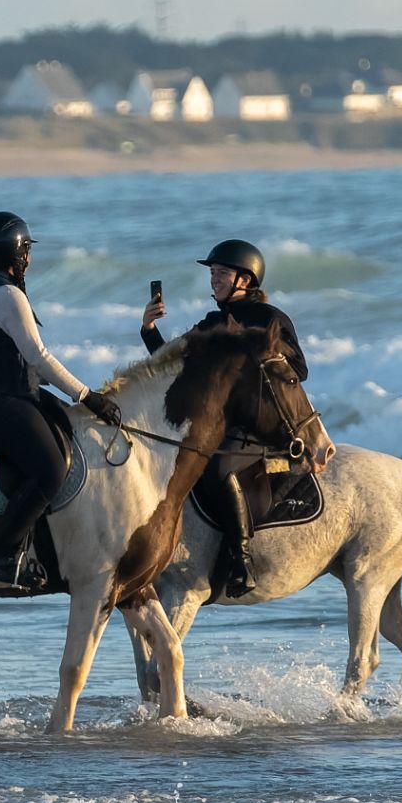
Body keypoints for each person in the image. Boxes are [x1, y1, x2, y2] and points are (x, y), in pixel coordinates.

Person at [0, 212, 122, 590]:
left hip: (6, 392)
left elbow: (26, 361)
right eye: (27, 251)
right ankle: (1, 555)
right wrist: (88, 396)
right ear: (16, 253)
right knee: (51, 469)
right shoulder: (5, 294)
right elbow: (38, 355)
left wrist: (71, 398)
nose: (30, 258)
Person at [141, 238, 308, 598]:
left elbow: (299, 371)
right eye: (213, 273)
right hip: (221, 425)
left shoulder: (270, 319)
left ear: (245, 279)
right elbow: (172, 363)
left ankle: (241, 559)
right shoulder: (213, 322)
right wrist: (149, 330)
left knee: (217, 466)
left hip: (263, 426)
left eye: (221, 273)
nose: (213, 280)